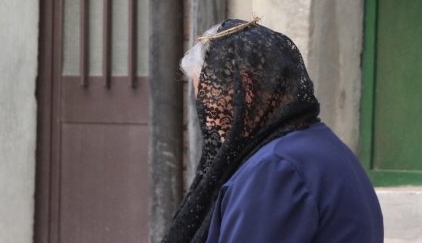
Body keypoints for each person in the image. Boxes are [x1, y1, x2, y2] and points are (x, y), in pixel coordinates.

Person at [162, 18, 383, 243]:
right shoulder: (317, 146)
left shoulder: (276, 168)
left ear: (245, 89)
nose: (209, 121)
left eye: (209, 102)